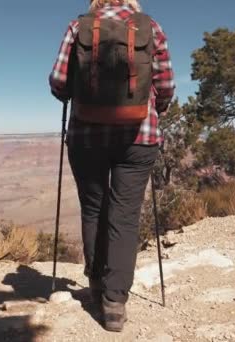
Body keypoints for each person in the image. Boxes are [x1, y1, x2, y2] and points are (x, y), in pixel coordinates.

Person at [49, 0, 175, 332]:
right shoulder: (151, 26)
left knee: (94, 208)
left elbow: (59, 82)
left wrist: (74, 92)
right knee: (125, 215)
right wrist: (155, 108)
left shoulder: (79, 27)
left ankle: (95, 284)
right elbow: (165, 85)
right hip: (139, 135)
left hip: (86, 134)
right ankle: (115, 303)